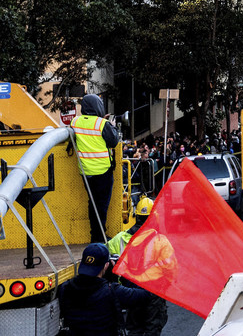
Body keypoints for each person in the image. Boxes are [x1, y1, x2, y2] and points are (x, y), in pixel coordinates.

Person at [57, 243, 152, 336]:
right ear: (106, 265)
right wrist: (122, 273)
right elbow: (145, 295)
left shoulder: (65, 287)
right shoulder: (113, 290)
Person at [107, 196, 170, 336]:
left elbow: (106, 260)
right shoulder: (160, 241)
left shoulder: (119, 239)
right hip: (153, 293)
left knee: (134, 329)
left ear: (136, 216)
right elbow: (171, 271)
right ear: (154, 217)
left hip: (130, 291)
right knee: (152, 330)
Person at [71, 94, 120, 243]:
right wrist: (111, 124)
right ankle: (99, 237)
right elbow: (114, 141)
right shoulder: (101, 124)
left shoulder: (75, 121)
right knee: (102, 206)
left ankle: (96, 235)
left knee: (92, 204)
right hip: (103, 171)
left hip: (86, 172)